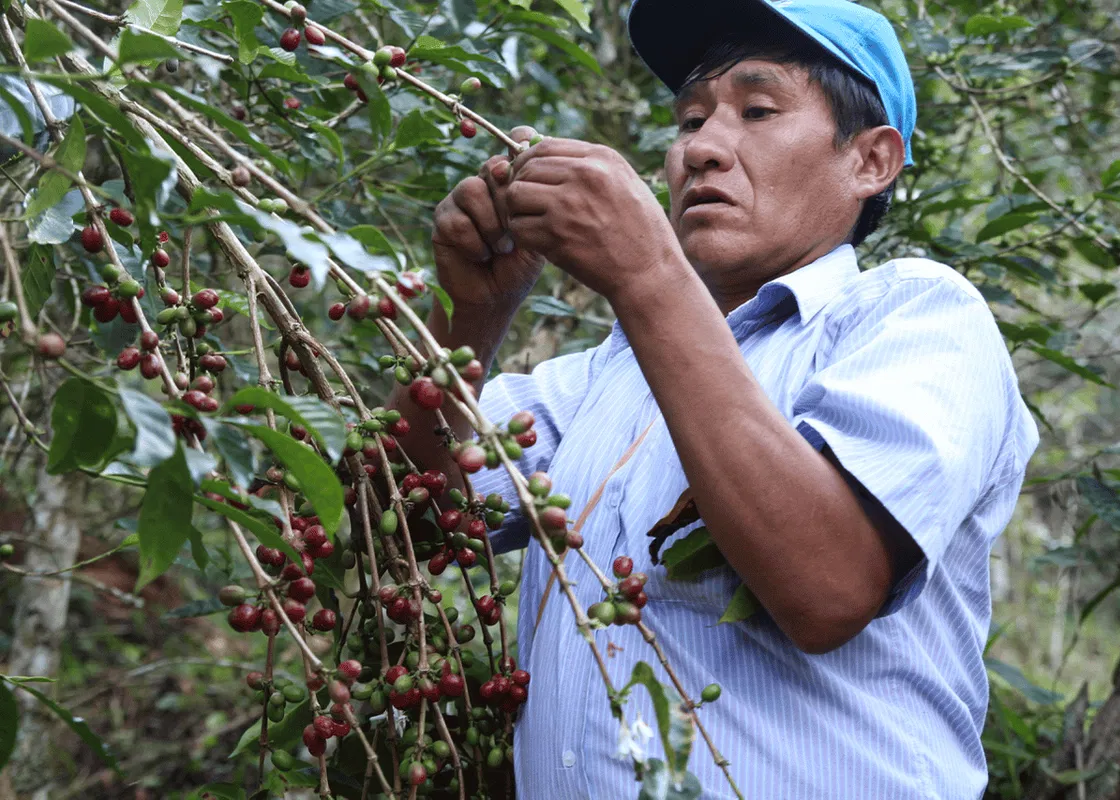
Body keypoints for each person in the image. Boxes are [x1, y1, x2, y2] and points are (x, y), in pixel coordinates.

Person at [390, 0, 1039, 796]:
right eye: (690, 119)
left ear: (871, 161)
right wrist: (466, 313)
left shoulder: (914, 317)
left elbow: (828, 587)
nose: (702, 148)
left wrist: (647, 275)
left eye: (758, 110)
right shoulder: (605, 374)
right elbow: (404, 519)